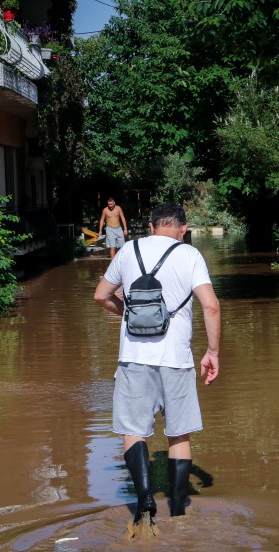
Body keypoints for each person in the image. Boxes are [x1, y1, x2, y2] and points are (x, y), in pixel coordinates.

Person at [93, 204, 221, 534]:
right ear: (183, 228)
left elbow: (101, 295)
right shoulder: (190, 255)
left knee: (133, 429)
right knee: (178, 432)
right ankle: (178, 509)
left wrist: (124, 312)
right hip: (176, 358)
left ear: (150, 226)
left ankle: (145, 503)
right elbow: (211, 305)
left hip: (134, 356)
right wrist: (212, 352)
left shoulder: (127, 250)